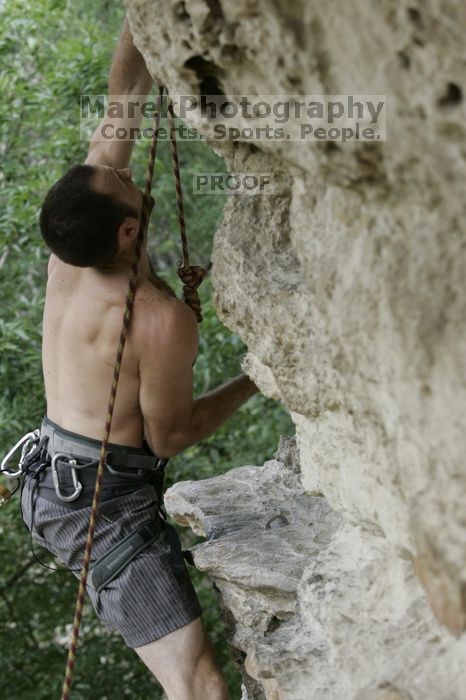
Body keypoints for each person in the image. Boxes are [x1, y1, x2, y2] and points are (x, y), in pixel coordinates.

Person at [20, 17, 258, 700]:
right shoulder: (156, 321)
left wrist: (141, 14)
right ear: (128, 231)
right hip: (102, 505)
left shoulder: (75, 249)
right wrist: (256, 379)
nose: (121, 174)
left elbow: (124, 98)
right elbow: (171, 436)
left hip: (56, 477)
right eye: (122, 185)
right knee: (200, 686)